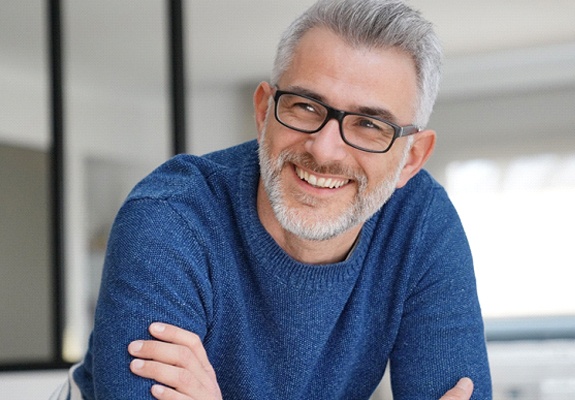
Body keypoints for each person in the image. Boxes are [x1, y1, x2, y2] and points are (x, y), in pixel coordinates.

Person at [52, 0, 492, 398]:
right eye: (305, 106)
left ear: (412, 158)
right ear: (264, 112)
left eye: (369, 125)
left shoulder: (421, 224)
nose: (324, 149)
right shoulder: (170, 216)